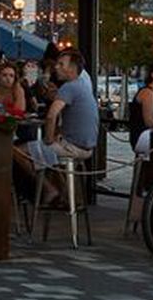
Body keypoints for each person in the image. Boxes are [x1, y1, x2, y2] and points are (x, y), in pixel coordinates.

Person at [14, 49, 100, 201]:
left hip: (72, 148)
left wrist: (48, 139)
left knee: (16, 151)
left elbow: (51, 115)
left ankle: (49, 189)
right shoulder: (82, 85)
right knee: (45, 151)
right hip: (86, 147)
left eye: (61, 64)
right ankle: (66, 196)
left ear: (72, 69)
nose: (56, 67)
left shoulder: (69, 86)